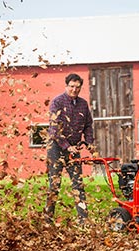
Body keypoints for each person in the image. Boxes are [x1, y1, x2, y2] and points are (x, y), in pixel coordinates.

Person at [44, 73, 95, 225]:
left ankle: (83, 220)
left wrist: (88, 142)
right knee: (54, 184)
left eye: (77, 87)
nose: (74, 90)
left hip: (74, 148)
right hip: (56, 147)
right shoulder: (57, 102)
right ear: (66, 86)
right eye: (72, 86)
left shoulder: (83, 104)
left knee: (78, 183)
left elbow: (88, 125)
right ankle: (48, 219)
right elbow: (55, 129)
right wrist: (67, 147)